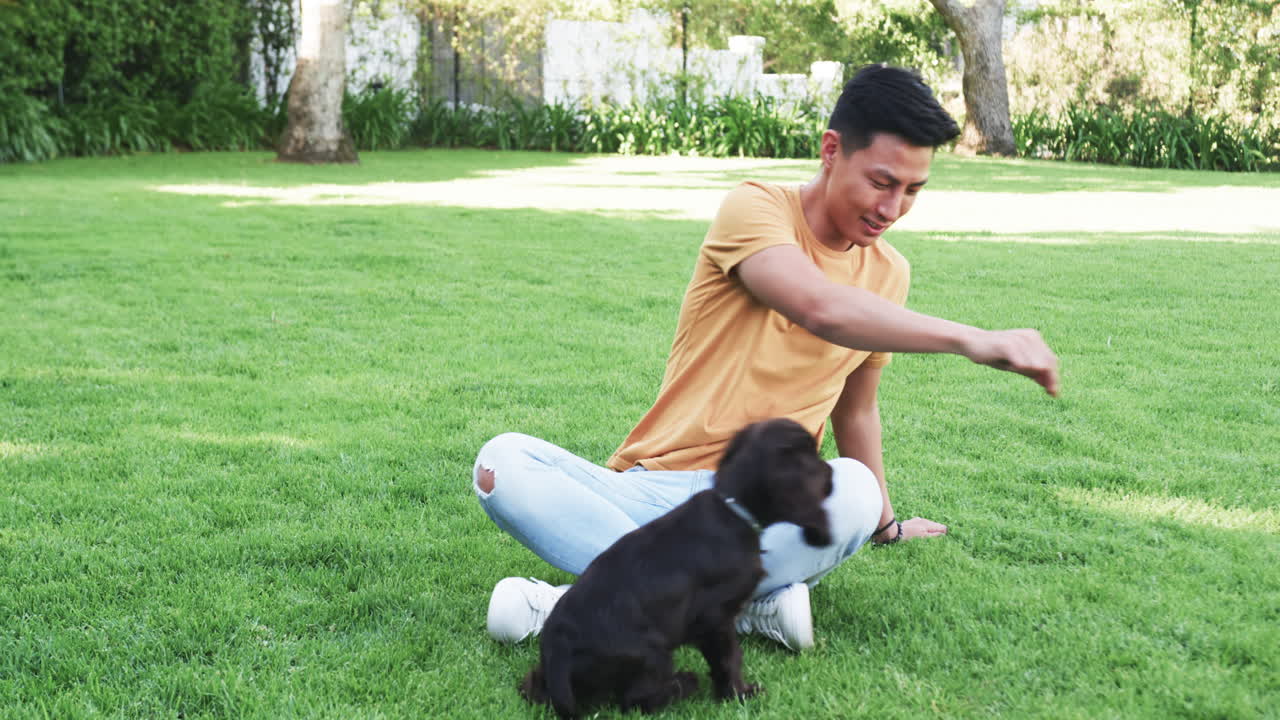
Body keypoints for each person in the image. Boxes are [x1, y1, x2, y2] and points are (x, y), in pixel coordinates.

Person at [472, 64, 1060, 652]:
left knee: (852, 487)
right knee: (502, 464)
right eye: (882, 182)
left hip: (765, 503)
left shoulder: (888, 273)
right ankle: (731, 609)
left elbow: (856, 411)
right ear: (832, 151)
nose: (893, 207)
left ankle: (582, 606)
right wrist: (974, 340)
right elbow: (819, 306)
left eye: (913, 190)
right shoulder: (754, 208)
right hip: (655, 492)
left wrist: (884, 524)